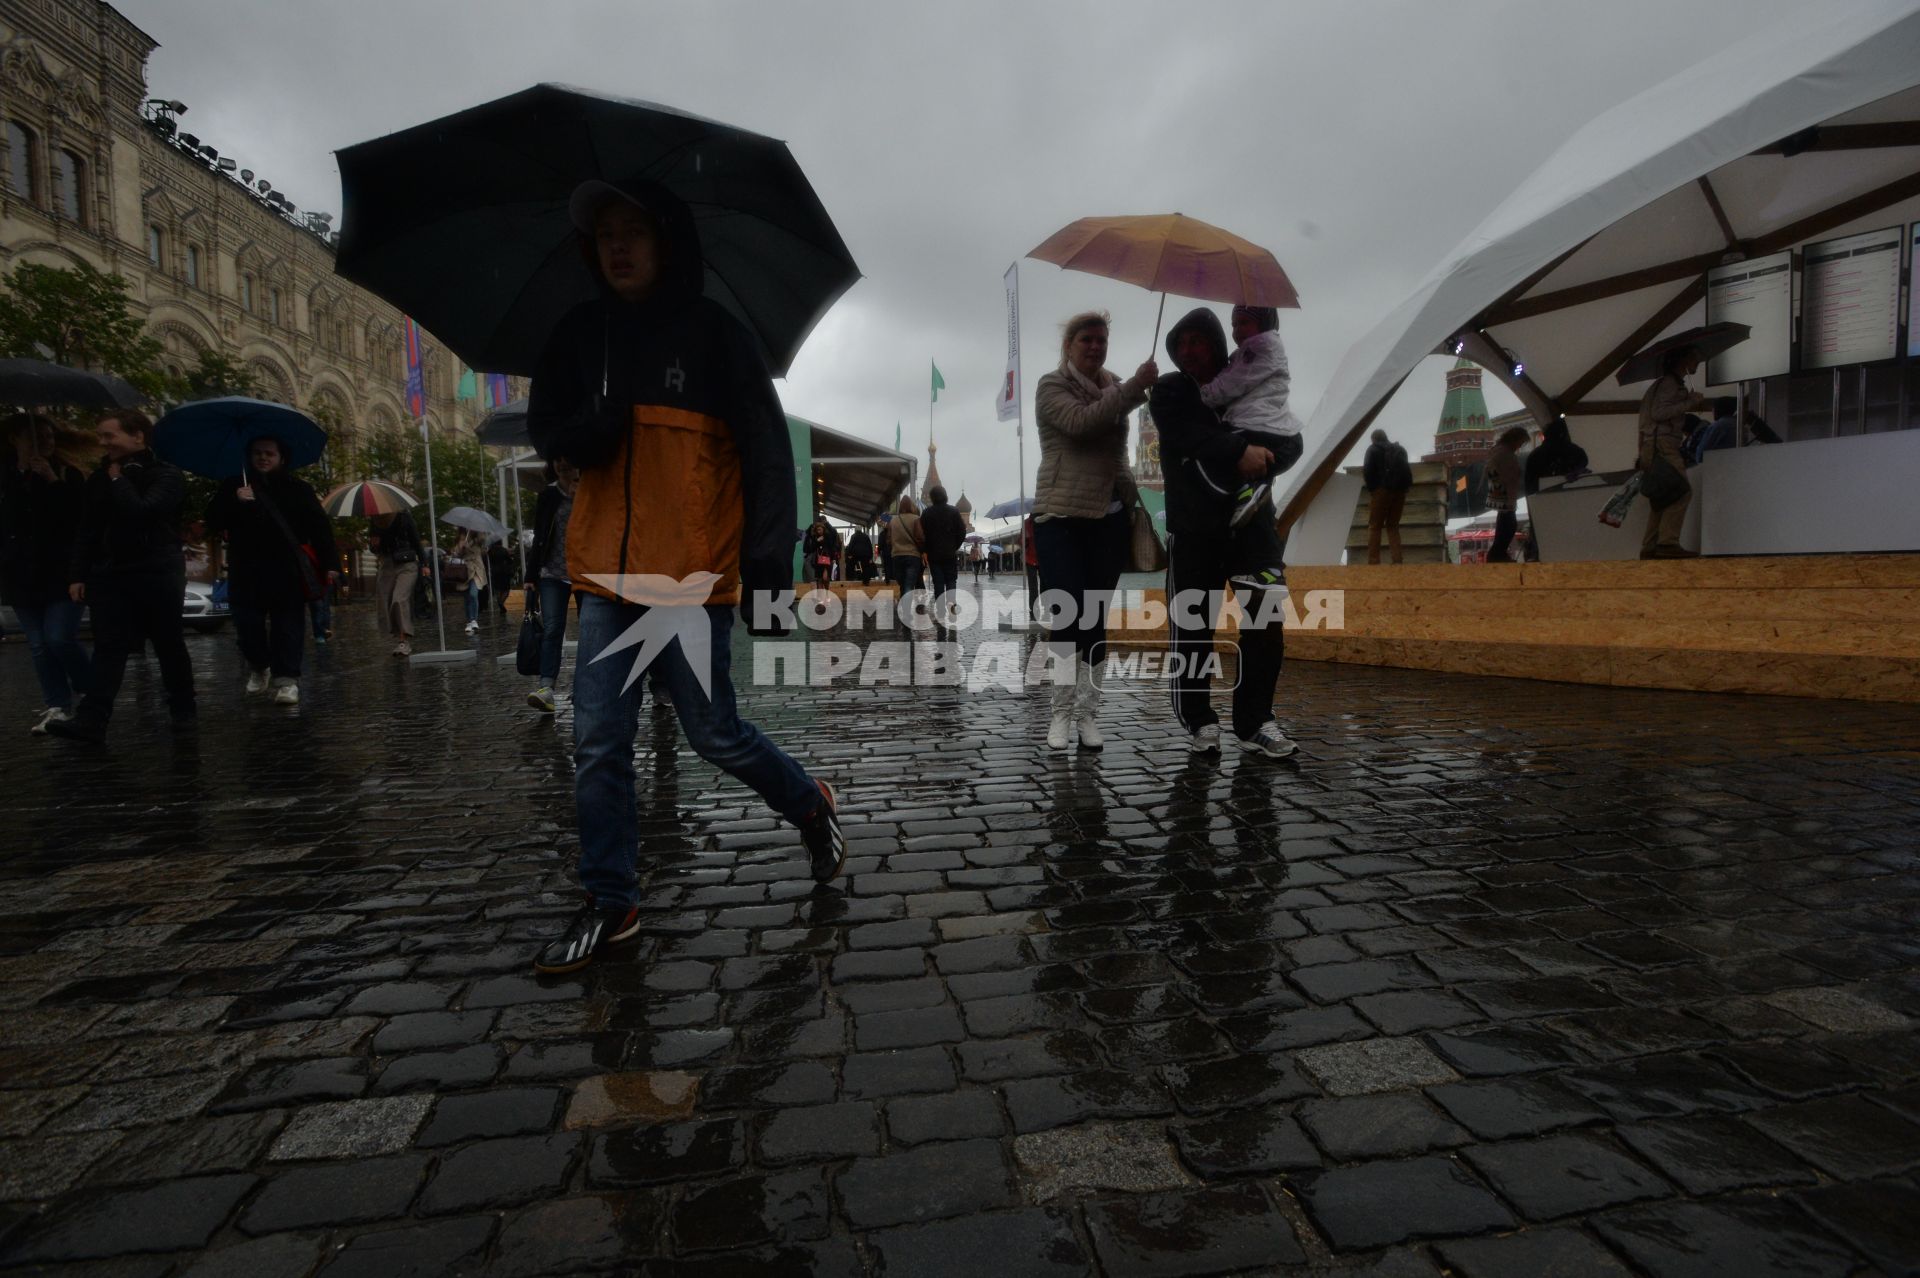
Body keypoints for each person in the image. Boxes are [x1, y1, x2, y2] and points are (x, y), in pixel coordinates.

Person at [525, 176, 845, 974]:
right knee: (598, 742)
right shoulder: (580, 334)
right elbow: (545, 426)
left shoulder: (715, 338)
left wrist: (768, 575)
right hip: (603, 577)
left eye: (634, 231)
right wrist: (582, 433)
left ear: (665, 240)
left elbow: (771, 459)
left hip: (691, 583)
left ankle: (811, 802)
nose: (619, 248)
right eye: (605, 237)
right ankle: (613, 898)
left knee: (714, 736)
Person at [1153, 308, 1296, 759]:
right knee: (1193, 626)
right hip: (1195, 530)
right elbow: (1183, 435)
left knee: (1266, 619)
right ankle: (1199, 719)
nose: (1189, 350)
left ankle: (1256, 720)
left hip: (1252, 527)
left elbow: (1276, 420)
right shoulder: (1170, 389)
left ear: (1218, 344)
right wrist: (1240, 451)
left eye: (1199, 340)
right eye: (1182, 343)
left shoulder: (1245, 376)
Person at [1032, 309, 1156, 751]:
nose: (1095, 346)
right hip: (1061, 516)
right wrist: (1132, 389)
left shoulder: (1115, 385)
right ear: (1069, 345)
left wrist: (1134, 503)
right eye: (1086, 339)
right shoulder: (1051, 385)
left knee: (1095, 621)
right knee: (1067, 616)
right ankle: (1061, 713)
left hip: (1109, 517)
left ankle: (1088, 713)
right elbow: (1081, 424)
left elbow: (1117, 453)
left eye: (1101, 339)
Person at [45, 411, 196, 742]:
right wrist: (78, 575)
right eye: (100, 436)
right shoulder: (99, 478)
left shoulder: (166, 475)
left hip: (157, 572)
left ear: (138, 436)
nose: (103, 442)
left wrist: (117, 480)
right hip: (111, 574)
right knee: (109, 648)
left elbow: (142, 510)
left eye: (109, 435)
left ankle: (183, 710)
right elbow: (87, 529)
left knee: (168, 644)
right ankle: (92, 720)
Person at [205, 437, 338, 706]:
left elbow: (319, 527)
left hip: (285, 568)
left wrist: (331, 563)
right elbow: (212, 520)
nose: (263, 458)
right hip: (246, 568)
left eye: (269, 453)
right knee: (247, 624)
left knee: (288, 625)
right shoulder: (235, 485)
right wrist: (234, 501)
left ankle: (287, 679)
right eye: (257, 453)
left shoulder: (298, 488)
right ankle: (259, 665)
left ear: (281, 458)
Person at [1, 413, 94, 734]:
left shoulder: (68, 474)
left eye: (49, 436)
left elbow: (79, 520)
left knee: (58, 638)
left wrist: (52, 481)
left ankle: (92, 689)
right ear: (16, 439)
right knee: (39, 644)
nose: (45, 443)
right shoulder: (7, 476)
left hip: (61, 571)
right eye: (36, 437)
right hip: (20, 574)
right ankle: (58, 706)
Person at [1196, 305, 1306, 527]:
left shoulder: (1258, 348)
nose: (1237, 330)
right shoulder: (1251, 351)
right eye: (1234, 324)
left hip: (1253, 425)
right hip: (1277, 428)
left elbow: (1232, 384)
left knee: (1225, 452)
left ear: (1263, 323)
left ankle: (1250, 488)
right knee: (1283, 452)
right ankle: (1255, 488)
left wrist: (1205, 392)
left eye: (1244, 322)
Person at [525, 457, 581, 712]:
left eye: (567, 458)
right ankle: (546, 687)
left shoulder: (591, 489)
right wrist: (530, 576)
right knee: (552, 628)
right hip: (552, 573)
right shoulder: (548, 494)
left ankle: (585, 686)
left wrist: (580, 497)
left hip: (585, 573)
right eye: (557, 460)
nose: (562, 464)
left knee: (591, 629)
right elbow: (539, 535)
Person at [1639, 347, 1705, 559]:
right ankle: (1667, 543)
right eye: (1694, 357)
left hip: (1653, 445)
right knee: (1681, 491)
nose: (1698, 361)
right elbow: (1659, 413)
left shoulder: (1661, 385)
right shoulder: (1670, 384)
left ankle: (1650, 546)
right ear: (1683, 359)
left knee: (1662, 495)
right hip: (1664, 444)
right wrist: (1689, 403)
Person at [368, 507, 423, 656]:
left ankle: (403, 640)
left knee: (399, 599)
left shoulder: (403, 517)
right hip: (387, 564)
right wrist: (374, 545)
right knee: (384, 600)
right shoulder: (375, 520)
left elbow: (415, 540)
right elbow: (373, 548)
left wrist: (424, 564)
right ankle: (395, 632)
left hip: (406, 564)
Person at [1361, 429, 1413, 565]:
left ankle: (1373, 561)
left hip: (1381, 491)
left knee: (1375, 526)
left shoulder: (1372, 450)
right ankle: (1397, 560)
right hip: (1399, 492)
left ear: (1373, 439)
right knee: (1393, 526)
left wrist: (1374, 489)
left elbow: (1367, 471)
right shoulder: (1400, 450)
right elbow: (1407, 471)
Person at [919, 486, 967, 622]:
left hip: (934, 555)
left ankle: (940, 610)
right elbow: (962, 532)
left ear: (932, 497)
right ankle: (952, 608)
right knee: (951, 580)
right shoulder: (954, 511)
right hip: (949, 554)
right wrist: (954, 546)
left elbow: (922, 535)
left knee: (938, 582)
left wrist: (925, 549)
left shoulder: (927, 513)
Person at [1484, 425, 1529, 563]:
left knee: (1506, 524)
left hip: (1501, 493)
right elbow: (1506, 473)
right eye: (1520, 443)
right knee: (1508, 525)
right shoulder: (1504, 453)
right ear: (1514, 440)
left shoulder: (1499, 451)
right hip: (1504, 494)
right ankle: (1498, 553)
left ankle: (1498, 553)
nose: (1519, 447)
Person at [1523, 416, 1589, 495]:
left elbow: (1530, 485)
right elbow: (1583, 463)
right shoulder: (1573, 450)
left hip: (1543, 497)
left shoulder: (1536, 454)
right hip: (1571, 495)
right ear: (1563, 434)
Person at [452, 526, 491, 634]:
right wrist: (461, 547)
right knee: (467, 597)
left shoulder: (478, 536)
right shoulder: (461, 537)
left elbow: (483, 543)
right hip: (464, 570)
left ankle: (474, 619)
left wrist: (473, 538)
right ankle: (469, 621)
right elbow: (456, 553)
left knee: (473, 594)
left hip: (476, 569)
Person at [888, 494, 925, 595]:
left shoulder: (892, 521)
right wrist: (923, 551)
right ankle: (905, 608)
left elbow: (888, 539)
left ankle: (904, 605)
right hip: (913, 556)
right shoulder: (916, 519)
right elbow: (920, 537)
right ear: (911, 506)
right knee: (909, 584)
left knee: (903, 584)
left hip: (896, 555)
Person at [803, 518, 837, 590]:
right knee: (819, 579)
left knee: (825, 578)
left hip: (826, 559)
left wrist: (834, 558)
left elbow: (832, 547)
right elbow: (811, 549)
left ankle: (827, 592)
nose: (819, 531)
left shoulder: (827, 537)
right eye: (817, 530)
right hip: (818, 560)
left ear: (823, 529)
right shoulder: (815, 538)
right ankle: (821, 596)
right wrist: (817, 541)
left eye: (820, 529)